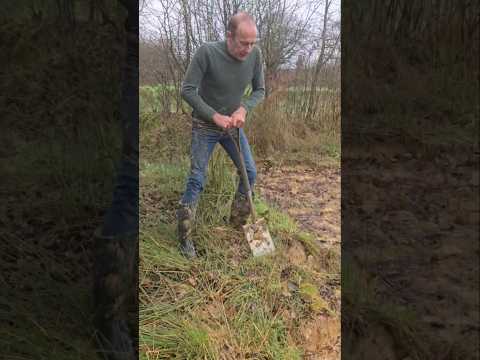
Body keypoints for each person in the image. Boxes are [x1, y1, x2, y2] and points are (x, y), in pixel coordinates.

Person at [177, 12, 265, 258]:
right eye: (243, 43)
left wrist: (243, 108)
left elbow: (260, 90)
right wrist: (214, 115)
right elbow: (187, 90)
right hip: (205, 125)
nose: (248, 49)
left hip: (233, 127)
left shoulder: (255, 55)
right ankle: (184, 239)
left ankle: (237, 224)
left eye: (252, 43)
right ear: (229, 36)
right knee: (197, 179)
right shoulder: (207, 52)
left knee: (249, 172)